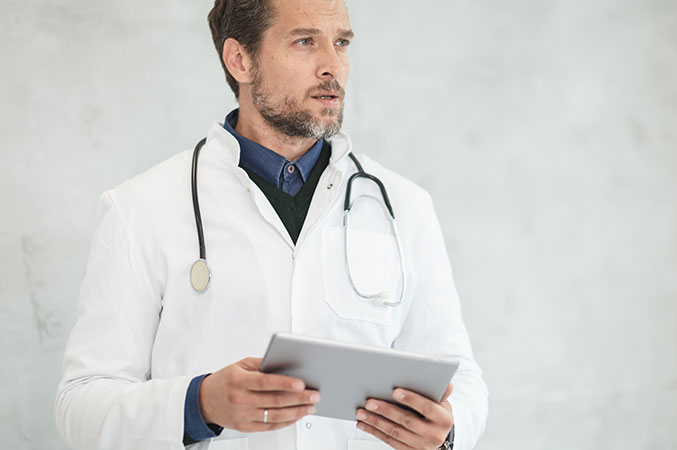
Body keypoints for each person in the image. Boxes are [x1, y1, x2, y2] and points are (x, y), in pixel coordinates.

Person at [54, 0, 488, 449]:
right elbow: (81, 406)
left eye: (341, 43)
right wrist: (198, 405)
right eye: (305, 42)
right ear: (240, 60)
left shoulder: (403, 206)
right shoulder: (139, 209)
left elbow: (461, 376)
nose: (332, 66)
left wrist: (449, 428)